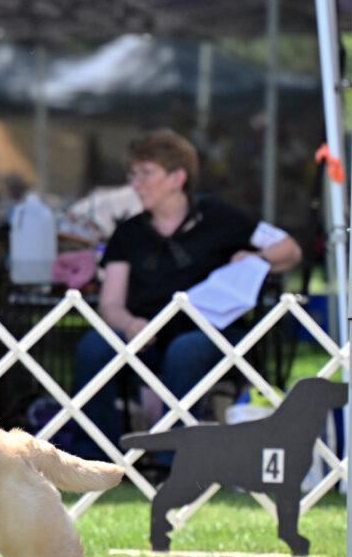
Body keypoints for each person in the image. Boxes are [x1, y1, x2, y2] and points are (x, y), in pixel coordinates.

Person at [70, 129, 301, 459]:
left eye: (146, 173)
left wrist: (257, 259)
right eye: (133, 174)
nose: (136, 184)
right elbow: (111, 302)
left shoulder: (222, 217)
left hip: (213, 336)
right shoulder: (128, 232)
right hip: (146, 338)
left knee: (186, 349)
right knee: (94, 346)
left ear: (178, 177)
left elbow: (289, 250)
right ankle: (93, 457)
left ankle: (176, 460)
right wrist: (130, 323)